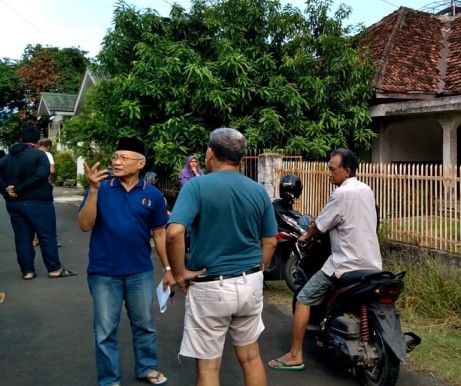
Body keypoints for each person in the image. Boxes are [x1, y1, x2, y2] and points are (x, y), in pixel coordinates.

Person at [166, 128, 277, 386]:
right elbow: (269, 241)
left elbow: (174, 233)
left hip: (210, 283)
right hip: (249, 281)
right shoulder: (258, 190)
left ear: (210, 153)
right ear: (240, 157)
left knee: (208, 366)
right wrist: (260, 269)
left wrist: (179, 272)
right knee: (251, 357)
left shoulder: (196, 186)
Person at [268, 148, 382, 371]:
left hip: (345, 264)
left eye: (332, 169)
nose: (329, 173)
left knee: (303, 298)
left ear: (346, 170)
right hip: (372, 264)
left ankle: (295, 354)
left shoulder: (340, 194)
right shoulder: (366, 189)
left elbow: (319, 226)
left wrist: (305, 237)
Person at [78, 137, 171, 386]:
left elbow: (160, 233)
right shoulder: (101, 188)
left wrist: (168, 267)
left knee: (145, 325)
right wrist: (94, 191)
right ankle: (109, 379)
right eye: (114, 157)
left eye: (123, 158)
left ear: (140, 163)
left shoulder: (152, 195)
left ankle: (146, 368)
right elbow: (85, 225)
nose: (116, 162)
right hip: (103, 272)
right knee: (105, 331)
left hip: (139, 271)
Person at [0, 126, 75, 280]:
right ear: (37, 140)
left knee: (22, 237)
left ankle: (27, 271)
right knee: (46, 235)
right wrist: (20, 188)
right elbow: (41, 175)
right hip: (38, 201)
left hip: (14, 204)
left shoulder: (5, 159)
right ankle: (54, 269)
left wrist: (7, 191)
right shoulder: (40, 156)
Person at [33, 138, 57, 247]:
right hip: (43, 187)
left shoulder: (32, 154)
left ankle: (34, 239)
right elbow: (52, 170)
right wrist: (53, 177)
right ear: (49, 146)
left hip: (30, 187)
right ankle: (47, 239)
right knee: (46, 214)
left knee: (33, 213)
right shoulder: (47, 154)